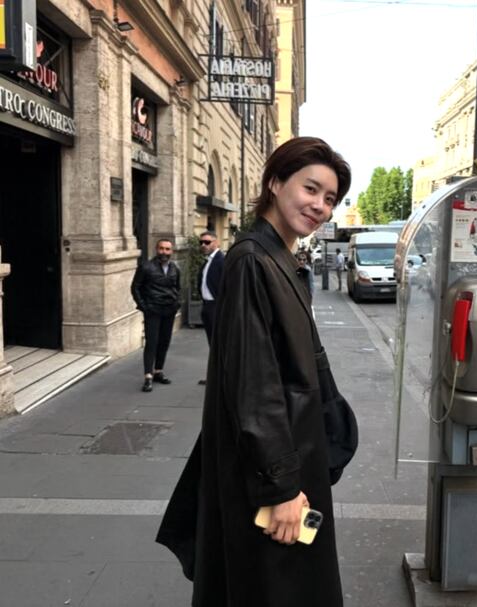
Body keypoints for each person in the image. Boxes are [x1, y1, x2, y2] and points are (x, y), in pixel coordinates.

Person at [156, 136, 352, 607]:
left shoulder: (277, 257)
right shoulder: (251, 261)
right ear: (275, 183)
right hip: (274, 472)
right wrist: (281, 487)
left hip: (290, 456)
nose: (320, 206)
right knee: (272, 589)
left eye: (330, 198)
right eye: (311, 189)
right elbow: (254, 385)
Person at [130, 239, 181, 392]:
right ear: (156, 249)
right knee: (152, 343)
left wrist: (177, 303)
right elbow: (135, 287)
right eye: (161, 248)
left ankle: (158, 371)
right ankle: (148, 376)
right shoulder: (146, 267)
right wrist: (144, 307)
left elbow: (177, 287)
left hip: (169, 310)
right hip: (153, 310)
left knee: (164, 342)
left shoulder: (175, 268)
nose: (164, 252)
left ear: (171, 251)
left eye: (167, 249)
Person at [196, 231, 225, 385]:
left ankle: (220, 378)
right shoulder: (208, 261)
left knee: (218, 345)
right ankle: (215, 377)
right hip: (207, 307)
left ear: (216, 243)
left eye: (207, 242)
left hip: (217, 308)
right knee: (213, 345)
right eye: (201, 242)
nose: (203, 245)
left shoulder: (221, 260)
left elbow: (227, 287)